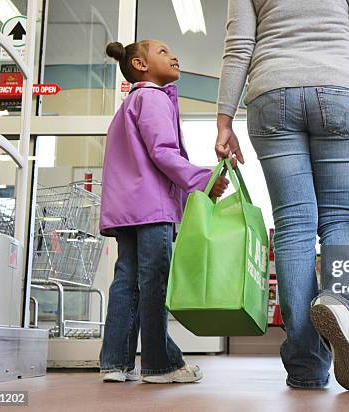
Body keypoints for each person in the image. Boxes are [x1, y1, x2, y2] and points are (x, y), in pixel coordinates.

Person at [215, 0, 349, 391]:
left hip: (271, 94)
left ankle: (307, 365)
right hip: (340, 87)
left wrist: (224, 120)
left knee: (294, 227)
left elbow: (239, 44)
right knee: (341, 219)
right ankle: (347, 311)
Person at [99, 39, 229, 383]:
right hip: (151, 209)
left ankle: (115, 362)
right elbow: (163, 152)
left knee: (126, 282)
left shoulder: (130, 103)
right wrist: (204, 180)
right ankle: (160, 364)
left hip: (126, 210)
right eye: (162, 52)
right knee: (154, 283)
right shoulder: (153, 98)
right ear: (140, 65)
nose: (174, 56)